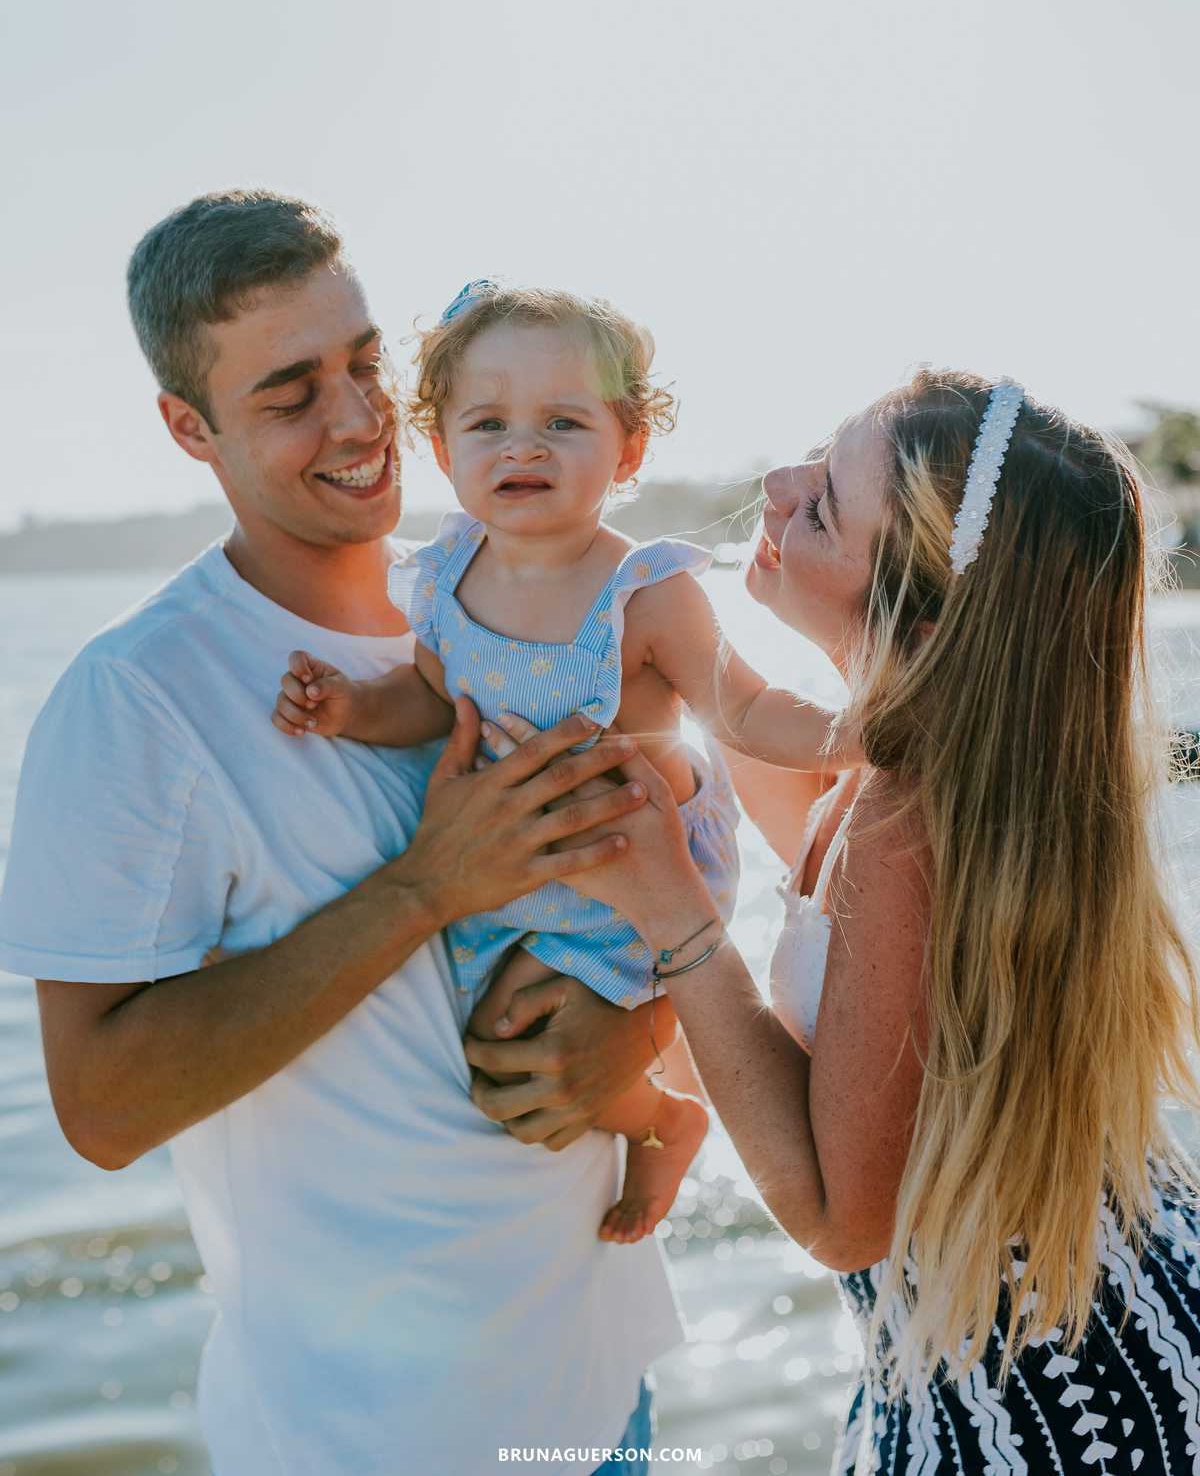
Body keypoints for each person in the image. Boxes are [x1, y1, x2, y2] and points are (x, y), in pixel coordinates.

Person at [0, 191, 690, 1476]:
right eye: (291, 392)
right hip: (380, 1440)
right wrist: (426, 886)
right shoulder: (138, 696)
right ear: (188, 427)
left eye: (365, 360)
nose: (363, 417)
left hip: (600, 1401)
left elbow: (665, 893)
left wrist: (643, 1040)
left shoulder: (498, 599)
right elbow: (97, 1108)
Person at [492, 368, 1200, 1472]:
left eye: (823, 502)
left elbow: (839, 1219)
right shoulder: (941, 771)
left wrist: (671, 907)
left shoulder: (905, 820)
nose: (776, 486)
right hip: (1079, 1316)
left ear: (918, 616)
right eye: (815, 455)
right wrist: (592, 569)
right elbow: (738, 747)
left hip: (1047, 1407)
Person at [270, 277, 855, 1243]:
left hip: (632, 879)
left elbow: (743, 708)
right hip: (516, 876)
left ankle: (666, 1119)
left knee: (531, 1039)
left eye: (563, 422)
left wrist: (852, 734)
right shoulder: (449, 572)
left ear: (627, 448)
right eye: (488, 423)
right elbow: (431, 697)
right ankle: (648, 1118)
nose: (523, 446)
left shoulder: (643, 590)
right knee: (493, 1051)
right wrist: (348, 707)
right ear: (441, 448)